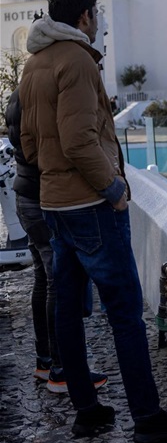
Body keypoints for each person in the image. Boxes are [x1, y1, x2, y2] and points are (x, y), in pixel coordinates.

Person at [18, 0, 167, 443]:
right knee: (124, 314)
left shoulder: (35, 62)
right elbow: (78, 139)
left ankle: (87, 409)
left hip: (54, 203)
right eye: (95, 14)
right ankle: (147, 417)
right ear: (84, 17)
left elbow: (29, 141)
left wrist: (56, 179)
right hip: (91, 206)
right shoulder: (76, 60)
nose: (97, 22)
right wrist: (113, 188)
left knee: (67, 308)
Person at [5, 87, 108, 394]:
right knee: (58, 282)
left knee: (43, 277)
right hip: (42, 197)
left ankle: (45, 361)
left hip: (24, 195)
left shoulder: (18, 93)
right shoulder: (42, 95)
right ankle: (62, 371)